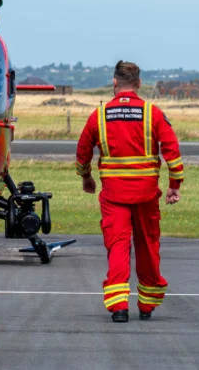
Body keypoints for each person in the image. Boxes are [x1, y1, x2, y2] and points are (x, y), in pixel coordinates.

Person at [75, 60, 185, 323]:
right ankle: (147, 306)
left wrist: (86, 177)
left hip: (113, 196)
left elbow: (82, 152)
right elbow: (172, 151)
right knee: (148, 246)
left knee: (118, 246)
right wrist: (174, 185)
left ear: (114, 83)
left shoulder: (99, 115)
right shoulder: (152, 113)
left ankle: (119, 307)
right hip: (146, 195)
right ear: (138, 84)